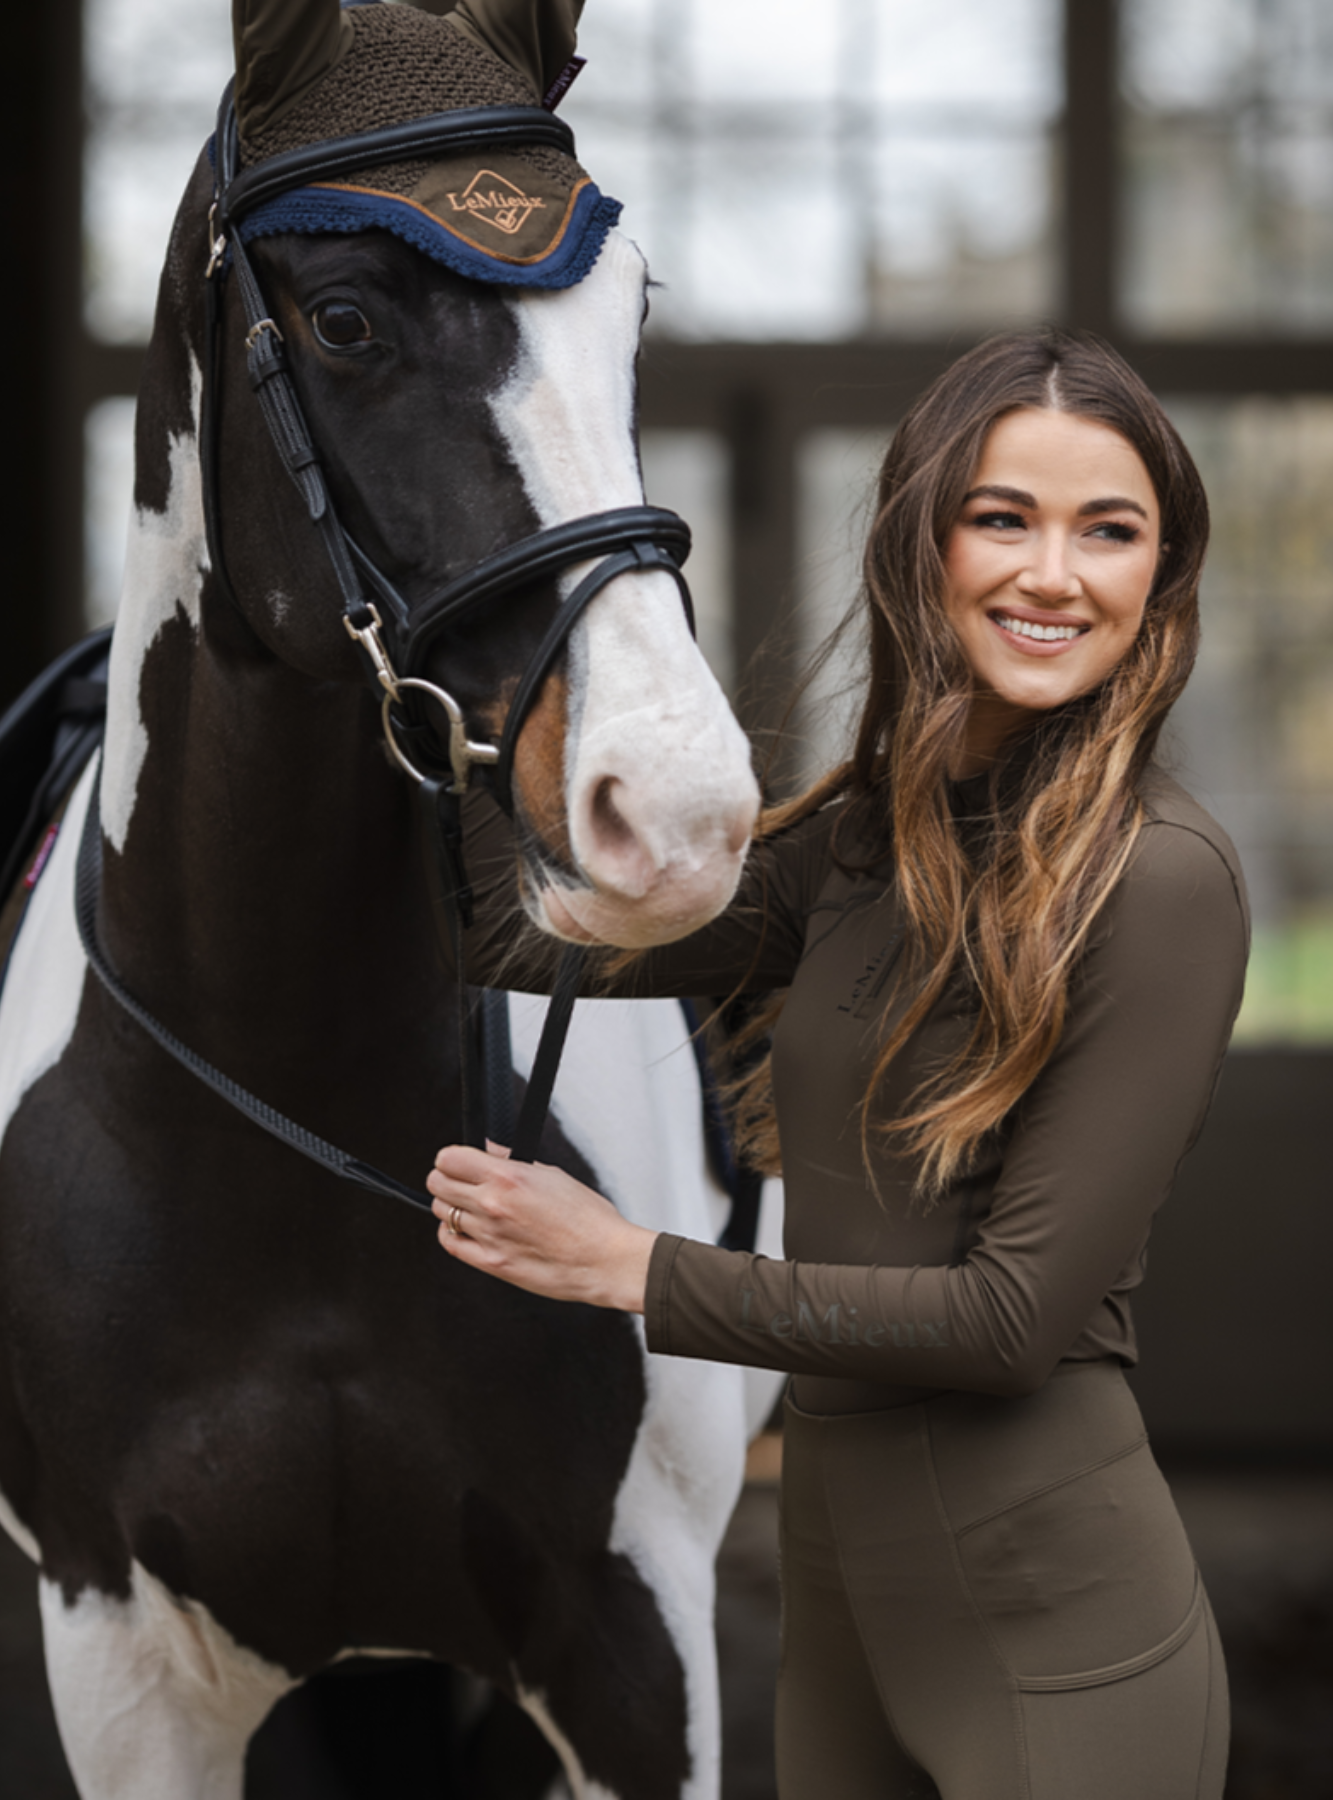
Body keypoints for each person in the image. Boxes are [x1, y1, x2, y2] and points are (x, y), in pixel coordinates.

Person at [428, 327, 1246, 1799]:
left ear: (1160, 578)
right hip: (845, 1601)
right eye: (1003, 517)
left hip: (1057, 1627)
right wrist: (453, 652)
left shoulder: (1163, 881)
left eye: (1107, 532)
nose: (1053, 574)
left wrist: (630, 1265)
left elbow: (1008, 1323)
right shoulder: (869, 838)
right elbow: (519, 931)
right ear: (919, 546)